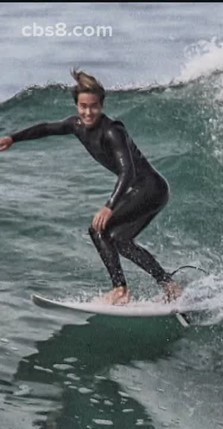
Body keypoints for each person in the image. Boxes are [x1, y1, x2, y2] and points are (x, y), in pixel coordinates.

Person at [0, 68, 182, 305]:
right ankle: (169, 284)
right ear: (77, 105)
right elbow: (46, 128)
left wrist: (109, 206)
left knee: (98, 230)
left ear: (102, 105)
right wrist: (13, 138)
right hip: (145, 191)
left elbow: (128, 172)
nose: (88, 112)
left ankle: (120, 290)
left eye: (93, 106)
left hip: (150, 189)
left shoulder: (112, 131)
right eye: (83, 106)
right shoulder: (76, 125)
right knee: (121, 241)